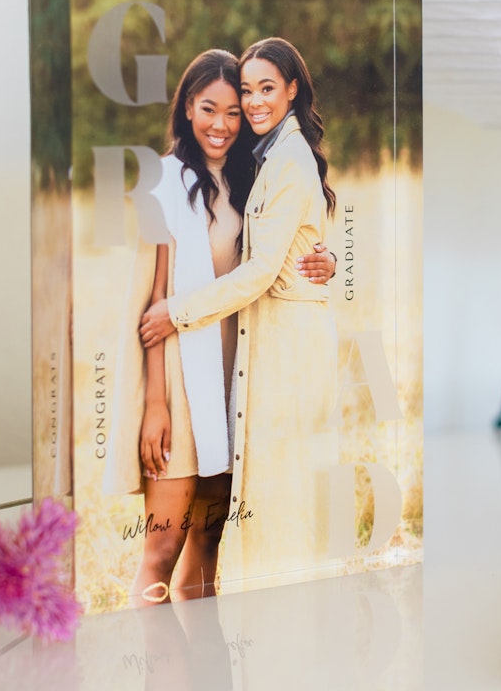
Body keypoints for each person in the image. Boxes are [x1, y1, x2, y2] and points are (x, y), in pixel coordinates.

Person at [105, 49, 336, 606]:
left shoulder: (250, 176)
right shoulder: (164, 184)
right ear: (187, 108)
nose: (223, 123)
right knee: (160, 554)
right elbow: (155, 305)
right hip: (182, 388)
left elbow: (287, 249)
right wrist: (155, 405)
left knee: (208, 547)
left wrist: (329, 261)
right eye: (211, 109)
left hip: (233, 390)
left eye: (236, 111)